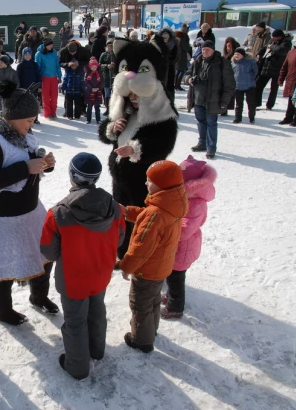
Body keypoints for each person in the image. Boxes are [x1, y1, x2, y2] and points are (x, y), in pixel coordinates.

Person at [0, 81, 58, 326]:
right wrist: (25, 168)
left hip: (30, 212)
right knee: (2, 266)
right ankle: (3, 311)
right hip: (1, 219)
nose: (31, 125)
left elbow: (30, 160)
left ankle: (38, 297)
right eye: (28, 120)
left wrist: (43, 162)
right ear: (12, 117)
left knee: (43, 256)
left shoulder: (23, 135)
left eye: (33, 120)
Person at [41, 152, 125, 380]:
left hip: (73, 280)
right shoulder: (115, 207)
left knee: (75, 321)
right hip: (101, 275)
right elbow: (119, 239)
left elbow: (48, 251)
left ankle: (77, 367)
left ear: (72, 176)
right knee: (97, 311)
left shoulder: (58, 213)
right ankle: (97, 351)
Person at [98, 36, 179, 259]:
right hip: (120, 179)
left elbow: (164, 144)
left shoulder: (162, 115)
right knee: (122, 220)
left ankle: (142, 257)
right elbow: (104, 134)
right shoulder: (125, 111)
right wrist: (112, 128)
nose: (133, 100)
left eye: (137, 96)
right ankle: (124, 254)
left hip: (145, 181)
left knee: (143, 221)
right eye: (130, 96)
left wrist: (135, 149)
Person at [117, 160, 188, 353]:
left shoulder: (156, 214)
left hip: (147, 270)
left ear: (162, 185)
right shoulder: (172, 202)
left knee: (140, 304)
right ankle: (151, 329)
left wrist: (126, 266)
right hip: (162, 267)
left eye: (150, 181)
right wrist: (127, 212)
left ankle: (142, 340)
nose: (146, 184)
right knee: (153, 300)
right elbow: (147, 215)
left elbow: (141, 248)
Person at [161, 156, 216, 319]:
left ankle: (175, 307)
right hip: (177, 247)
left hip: (183, 248)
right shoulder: (188, 199)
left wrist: (167, 225)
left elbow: (184, 231)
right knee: (171, 275)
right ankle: (171, 296)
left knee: (176, 279)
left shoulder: (196, 204)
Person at [184, 40, 236, 159]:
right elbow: (186, 74)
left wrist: (224, 101)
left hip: (213, 99)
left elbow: (230, 84)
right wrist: (190, 79)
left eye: (207, 49)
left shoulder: (222, 62)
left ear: (213, 50)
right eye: (202, 49)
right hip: (197, 98)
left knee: (211, 123)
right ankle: (202, 143)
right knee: (200, 121)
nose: (204, 51)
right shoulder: (198, 61)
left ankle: (211, 148)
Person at [256, 30, 292, 111]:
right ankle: (256, 103)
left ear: (280, 36)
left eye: (275, 37)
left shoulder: (287, 43)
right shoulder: (272, 41)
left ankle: (270, 105)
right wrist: (259, 53)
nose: (274, 39)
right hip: (267, 67)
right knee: (258, 84)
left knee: (273, 89)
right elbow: (265, 47)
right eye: (273, 37)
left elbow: (280, 50)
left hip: (278, 68)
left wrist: (271, 47)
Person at [278, 35, 296, 126]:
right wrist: (281, 78)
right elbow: (284, 66)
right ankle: (288, 118)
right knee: (291, 99)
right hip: (291, 79)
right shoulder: (291, 52)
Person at [35, 38, 62, 119]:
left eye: (52, 45)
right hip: (44, 77)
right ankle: (47, 113)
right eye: (49, 45)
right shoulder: (39, 54)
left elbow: (57, 65)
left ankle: (53, 112)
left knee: (54, 96)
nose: (51, 46)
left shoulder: (54, 52)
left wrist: (59, 75)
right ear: (45, 45)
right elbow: (37, 67)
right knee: (46, 97)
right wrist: (38, 79)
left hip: (54, 77)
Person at [231, 48, 258, 124]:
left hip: (250, 85)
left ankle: (252, 117)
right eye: (235, 54)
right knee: (239, 103)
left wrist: (251, 78)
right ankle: (238, 118)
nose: (236, 56)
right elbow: (232, 73)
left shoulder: (250, 62)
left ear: (243, 55)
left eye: (238, 54)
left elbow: (255, 71)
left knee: (251, 103)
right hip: (238, 86)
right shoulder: (233, 63)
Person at [16, 48, 42, 123]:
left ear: (31, 55)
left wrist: (40, 86)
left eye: (29, 54)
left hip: (34, 87)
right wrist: (18, 88)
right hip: (24, 87)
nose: (27, 56)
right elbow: (18, 78)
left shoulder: (35, 64)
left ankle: (35, 118)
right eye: (26, 54)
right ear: (23, 55)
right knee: (25, 104)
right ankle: (25, 118)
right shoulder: (20, 66)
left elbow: (38, 76)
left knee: (34, 103)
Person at [158, 28, 178, 100]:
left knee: (169, 86)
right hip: (160, 68)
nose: (165, 39)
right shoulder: (158, 44)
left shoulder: (174, 44)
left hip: (170, 68)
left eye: (166, 37)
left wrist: (169, 60)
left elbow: (177, 57)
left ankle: (170, 101)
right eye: (163, 37)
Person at [85, 57, 102, 124]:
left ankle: (98, 119)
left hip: (98, 92)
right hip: (90, 92)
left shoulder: (99, 73)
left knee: (97, 107)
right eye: (92, 67)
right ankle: (88, 119)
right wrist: (91, 88)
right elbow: (86, 82)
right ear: (90, 67)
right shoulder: (88, 73)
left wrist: (98, 88)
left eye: (95, 66)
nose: (94, 68)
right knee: (89, 107)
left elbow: (102, 81)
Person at [175, 25, 192, 91]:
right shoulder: (184, 36)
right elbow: (185, 47)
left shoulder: (177, 35)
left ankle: (176, 84)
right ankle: (178, 85)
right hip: (182, 55)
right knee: (182, 70)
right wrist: (189, 48)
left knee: (178, 70)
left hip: (177, 53)